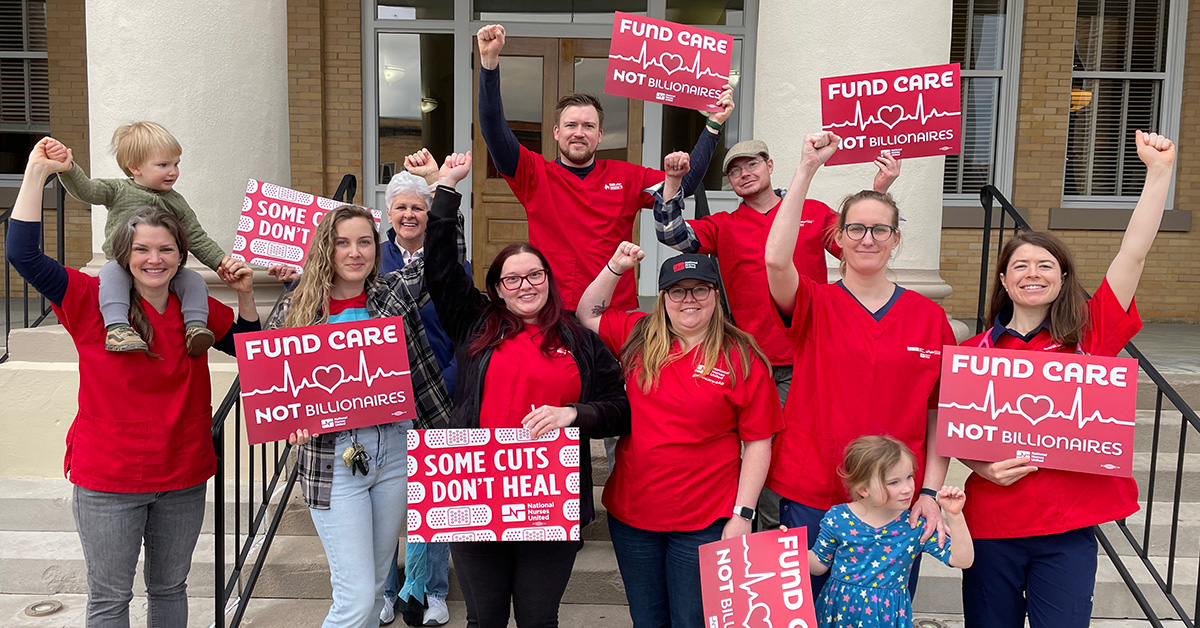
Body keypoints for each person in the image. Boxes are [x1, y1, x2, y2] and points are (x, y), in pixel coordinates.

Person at [6, 138, 260, 627]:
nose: (154, 259)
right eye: (142, 248)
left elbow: (253, 356)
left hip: (182, 474)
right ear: (124, 252)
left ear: (181, 254)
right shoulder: (88, 299)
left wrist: (246, 297)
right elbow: (24, 254)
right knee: (109, 598)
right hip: (109, 479)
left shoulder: (198, 309)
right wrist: (37, 173)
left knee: (170, 589)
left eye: (166, 249)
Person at [958, 130, 1175, 628]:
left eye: (1045, 265)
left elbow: (1132, 255)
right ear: (1004, 280)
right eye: (1020, 266)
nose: (1033, 273)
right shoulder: (976, 354)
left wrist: (1158, 174)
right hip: (992, 523)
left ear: (1062, 278)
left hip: (1066, 527)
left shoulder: (1090, 338)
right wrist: (982, 467)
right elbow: (955, 432)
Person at [423, 151, 630, 628]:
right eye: (511, 278)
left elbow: (620, 408)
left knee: (539, 619)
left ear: (548, 281)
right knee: (485, 618)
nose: (525, 285)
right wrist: (446, 192)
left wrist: (573, 414)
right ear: (496, 289)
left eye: (535, 274)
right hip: (475, 491)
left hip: (548, 497)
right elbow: (441, 270)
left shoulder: (579, 339)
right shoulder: (474, 324)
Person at [652, 142, 900, 529]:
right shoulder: (724, 225)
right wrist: (672, 183)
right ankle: (767, 537)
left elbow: (858, 246)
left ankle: (813, 533)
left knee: (801, 449)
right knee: (760, 448)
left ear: (770, 165)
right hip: (751, 360)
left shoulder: (812, 213)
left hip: (808, 356)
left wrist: (880, 188)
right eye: (735, 171)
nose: (744, 173)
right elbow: (672, 234)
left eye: (752, 164)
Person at [763, 131, 956, 598]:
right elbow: (774, 259)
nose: (867, 239)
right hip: (814, 487)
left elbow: (941, 415)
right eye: (856, 229)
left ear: (895, 240)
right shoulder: (814, 302)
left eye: (880, 230)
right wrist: (806, 166)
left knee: (881, 614)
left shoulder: (929, 318)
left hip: (893, 499)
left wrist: (929, 491)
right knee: (806, 612)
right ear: (839, 238)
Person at [576, 242, 782, 628]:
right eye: (677, 290)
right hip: (635, 513)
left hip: (706, 515)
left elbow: (758, 442)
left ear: (715, 295)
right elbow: (588, 313)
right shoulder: (639, 335)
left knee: (692, 619)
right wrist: (616, 267)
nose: (689, 299)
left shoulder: (742, 355)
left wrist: (742, 515)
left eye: (699, 289)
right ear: (664, 297)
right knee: (647, 619)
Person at [269, 201, 453, 628]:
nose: (355, 252)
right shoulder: (295, 309)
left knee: (372, 593)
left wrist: (443, 190)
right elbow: (274, 390)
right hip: (334, 459)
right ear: (324, 250)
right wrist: (289, 423)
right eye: (342, 243)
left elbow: (442, 260)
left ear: (377, 246)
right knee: (353, 600)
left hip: (394, 449)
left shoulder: (392, 293)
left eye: (364, 242)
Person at [475, 23, 732, 312]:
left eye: (588, 126)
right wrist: (489, 64)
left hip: (614, 311)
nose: (579, 132)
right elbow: (493, 129)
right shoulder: (533, 173)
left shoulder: (627, 176)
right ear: (557, 132)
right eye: (571, 125)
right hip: (556, 310)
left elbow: (681, 187)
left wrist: (713, 126)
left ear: (599, 135)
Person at [377, 155, 466, 628]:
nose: (410, 215)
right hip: (381, 400)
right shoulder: (370, 258)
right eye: (402, 208)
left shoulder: (449, 260)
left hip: (436, 394)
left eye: (419, 208)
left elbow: (463, 327)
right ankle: (388, 591)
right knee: (388, 501)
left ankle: (431, 589)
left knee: (433, 499)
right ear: (388, 214)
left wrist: (449, 381)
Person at [54, 123, 228, 355]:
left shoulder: (177, 202)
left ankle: (195, 328)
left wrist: (221, 262)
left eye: (176, 164)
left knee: (194, 281)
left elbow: (196, 236)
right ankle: (117, 328)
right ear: (135, 167)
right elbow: (86, 190)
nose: (173, 171)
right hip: (123, 263)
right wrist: (68, 169)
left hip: (162, 271)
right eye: (163, 165)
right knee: (111, 277)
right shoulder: (117, 189)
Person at [807, 436, 973, 628]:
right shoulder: (838, 518)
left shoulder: (914, 526)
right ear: (863, 489)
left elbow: (962, 560)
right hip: (840, 613)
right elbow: (819, 564)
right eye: (894, 482)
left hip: (887, 617)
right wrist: (787, 548)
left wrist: (954, 515)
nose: (907, 488)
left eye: (909, 477)